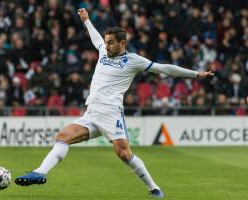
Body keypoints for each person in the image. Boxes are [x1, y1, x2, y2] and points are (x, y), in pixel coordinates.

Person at [15, 8, 214, 198]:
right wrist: (86, 21)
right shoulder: (103, 51)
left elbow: (166, 69)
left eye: (110, 43)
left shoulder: (134, 60)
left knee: (124, 153)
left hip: (111, 113)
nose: (106, 45)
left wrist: (195, 74)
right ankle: (40, 172)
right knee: (63, 136)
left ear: (122, 43)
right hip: (92, 113)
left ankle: (154, 189)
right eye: (106, 42)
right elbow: (95, 38)